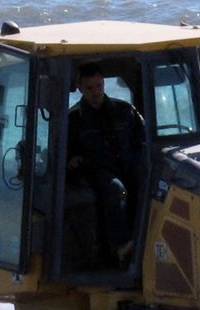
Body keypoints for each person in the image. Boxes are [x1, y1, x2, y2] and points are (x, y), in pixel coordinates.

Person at [67, 62, 143, 264]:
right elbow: (64, 153)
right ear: (80, 88)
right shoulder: (74, 119)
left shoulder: (125, 111)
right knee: (116, 189)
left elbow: (143, 142)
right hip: (96, 172)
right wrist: (72, 160)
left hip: (127, 166)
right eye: (90, 88)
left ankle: (147, 238)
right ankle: (121, 246)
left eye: (99, 86)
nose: (95, 92)